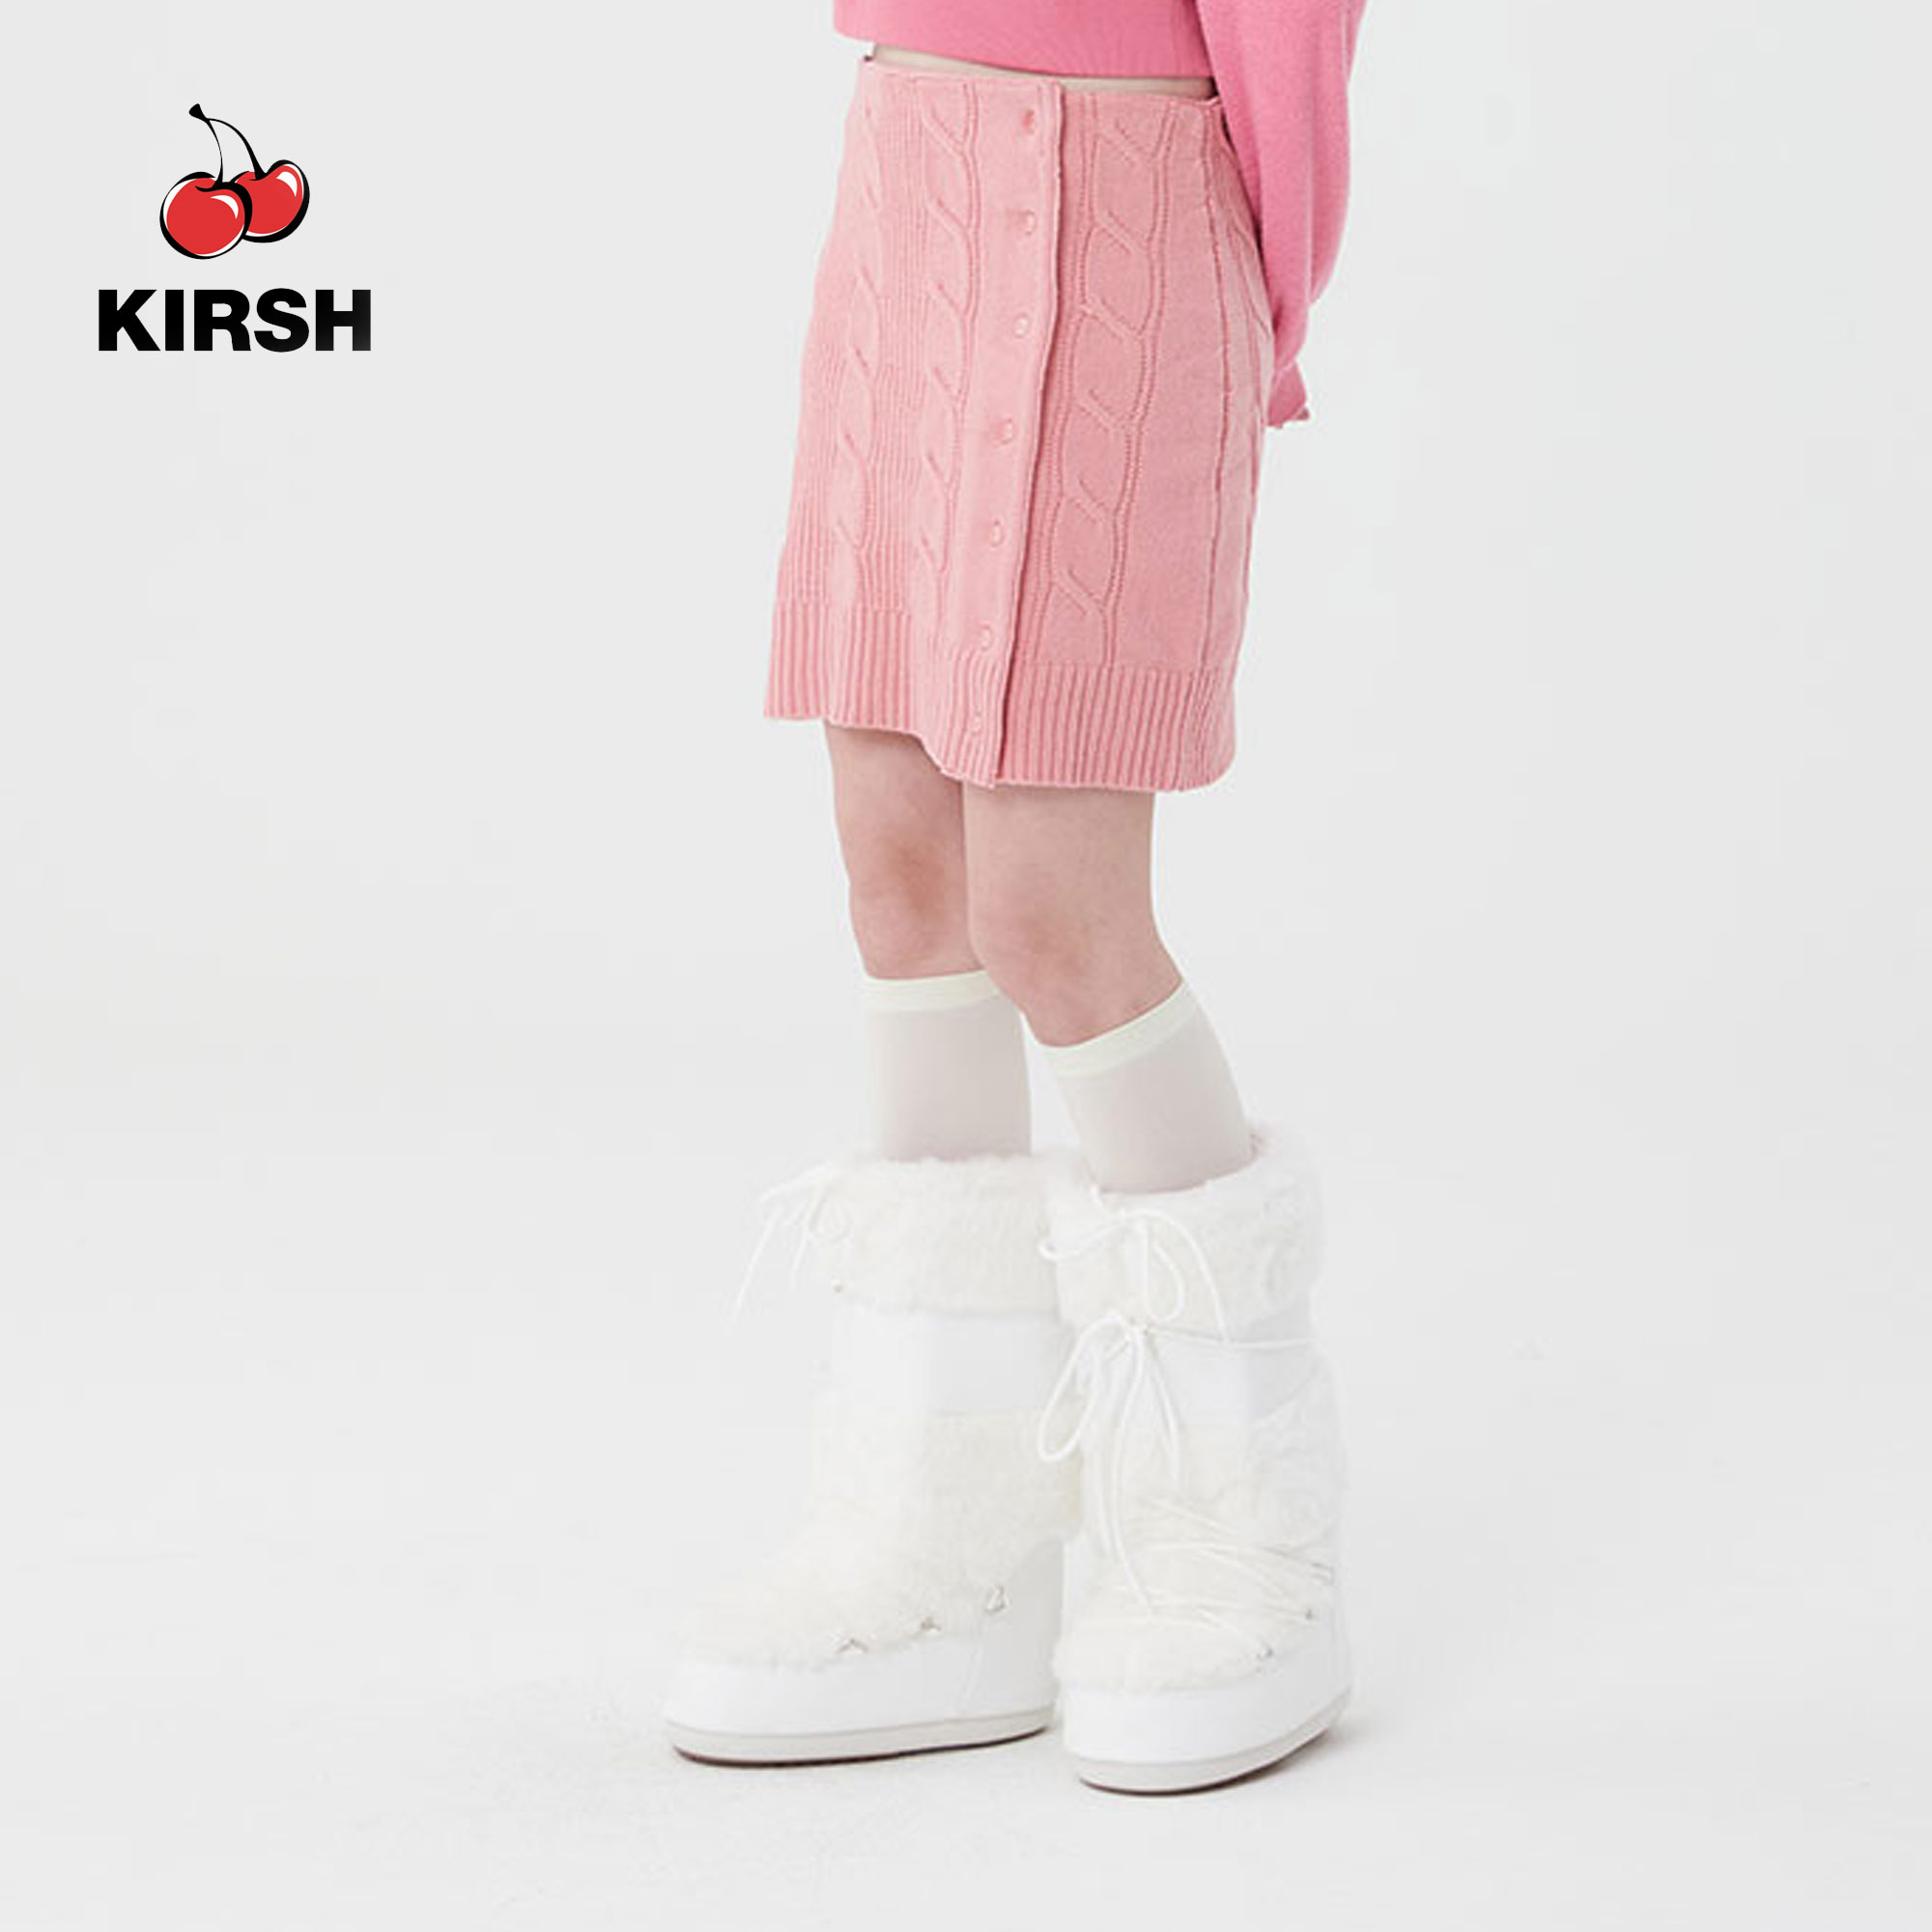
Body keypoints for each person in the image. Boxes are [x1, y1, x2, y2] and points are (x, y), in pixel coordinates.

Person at [664, 1, 1369, 1794]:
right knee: (900, 876)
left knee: (1056, 916)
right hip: (910, 166)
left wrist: (1258, 296)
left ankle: (1242, 1523)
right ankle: (945, 1529)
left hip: (1131, 188)